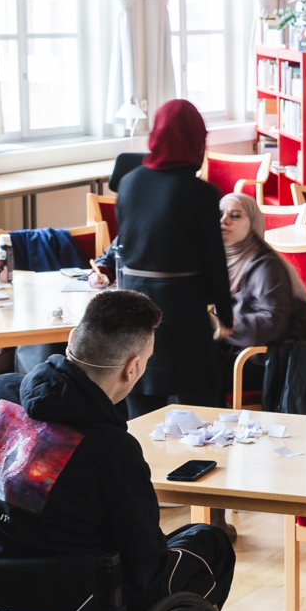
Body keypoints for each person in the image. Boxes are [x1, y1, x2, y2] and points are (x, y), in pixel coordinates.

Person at [0, 289, 235, 611]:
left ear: (71, 339)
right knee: (209, 543)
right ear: (133, 367)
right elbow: (146, 572)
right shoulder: (112, 449)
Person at [102, 100, 234, 417]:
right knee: (201, 412)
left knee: (141, 410)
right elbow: (214, 260)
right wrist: (225, 315)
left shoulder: (129, 183)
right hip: (182, 314)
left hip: (134, 312)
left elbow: (125, 246)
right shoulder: (201, 193)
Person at [215, 193, 306, 365]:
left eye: (235, 216)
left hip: (275, 360)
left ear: (253, 225)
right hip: (243, 350)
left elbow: (272, 324)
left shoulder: (266, 266)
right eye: (219, 215)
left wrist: (222, 327)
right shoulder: (222, 258)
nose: (224, 221)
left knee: (191, 372)